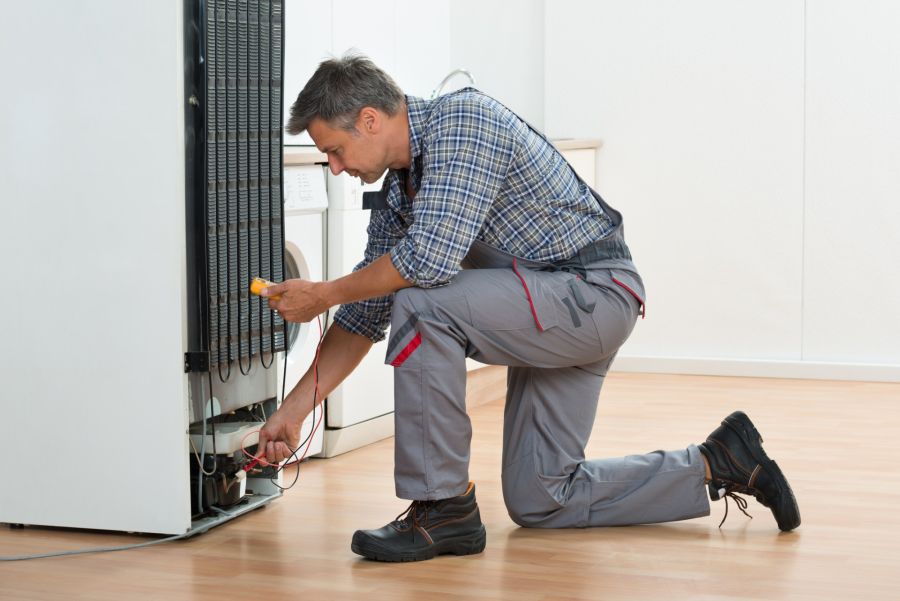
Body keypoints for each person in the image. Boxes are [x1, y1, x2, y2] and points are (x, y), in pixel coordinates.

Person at [255, 54, 800, 562]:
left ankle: (442, 508)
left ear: (370, 120)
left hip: (592, 293)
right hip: (552, 307)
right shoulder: (400, 194)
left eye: (334, 150)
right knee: (542, 498)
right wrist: (293, 412)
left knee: (422, 303)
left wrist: (323, 292)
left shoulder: (462, 122)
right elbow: (362, 316)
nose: (332, 166)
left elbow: (424, 262)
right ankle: (719, 461)